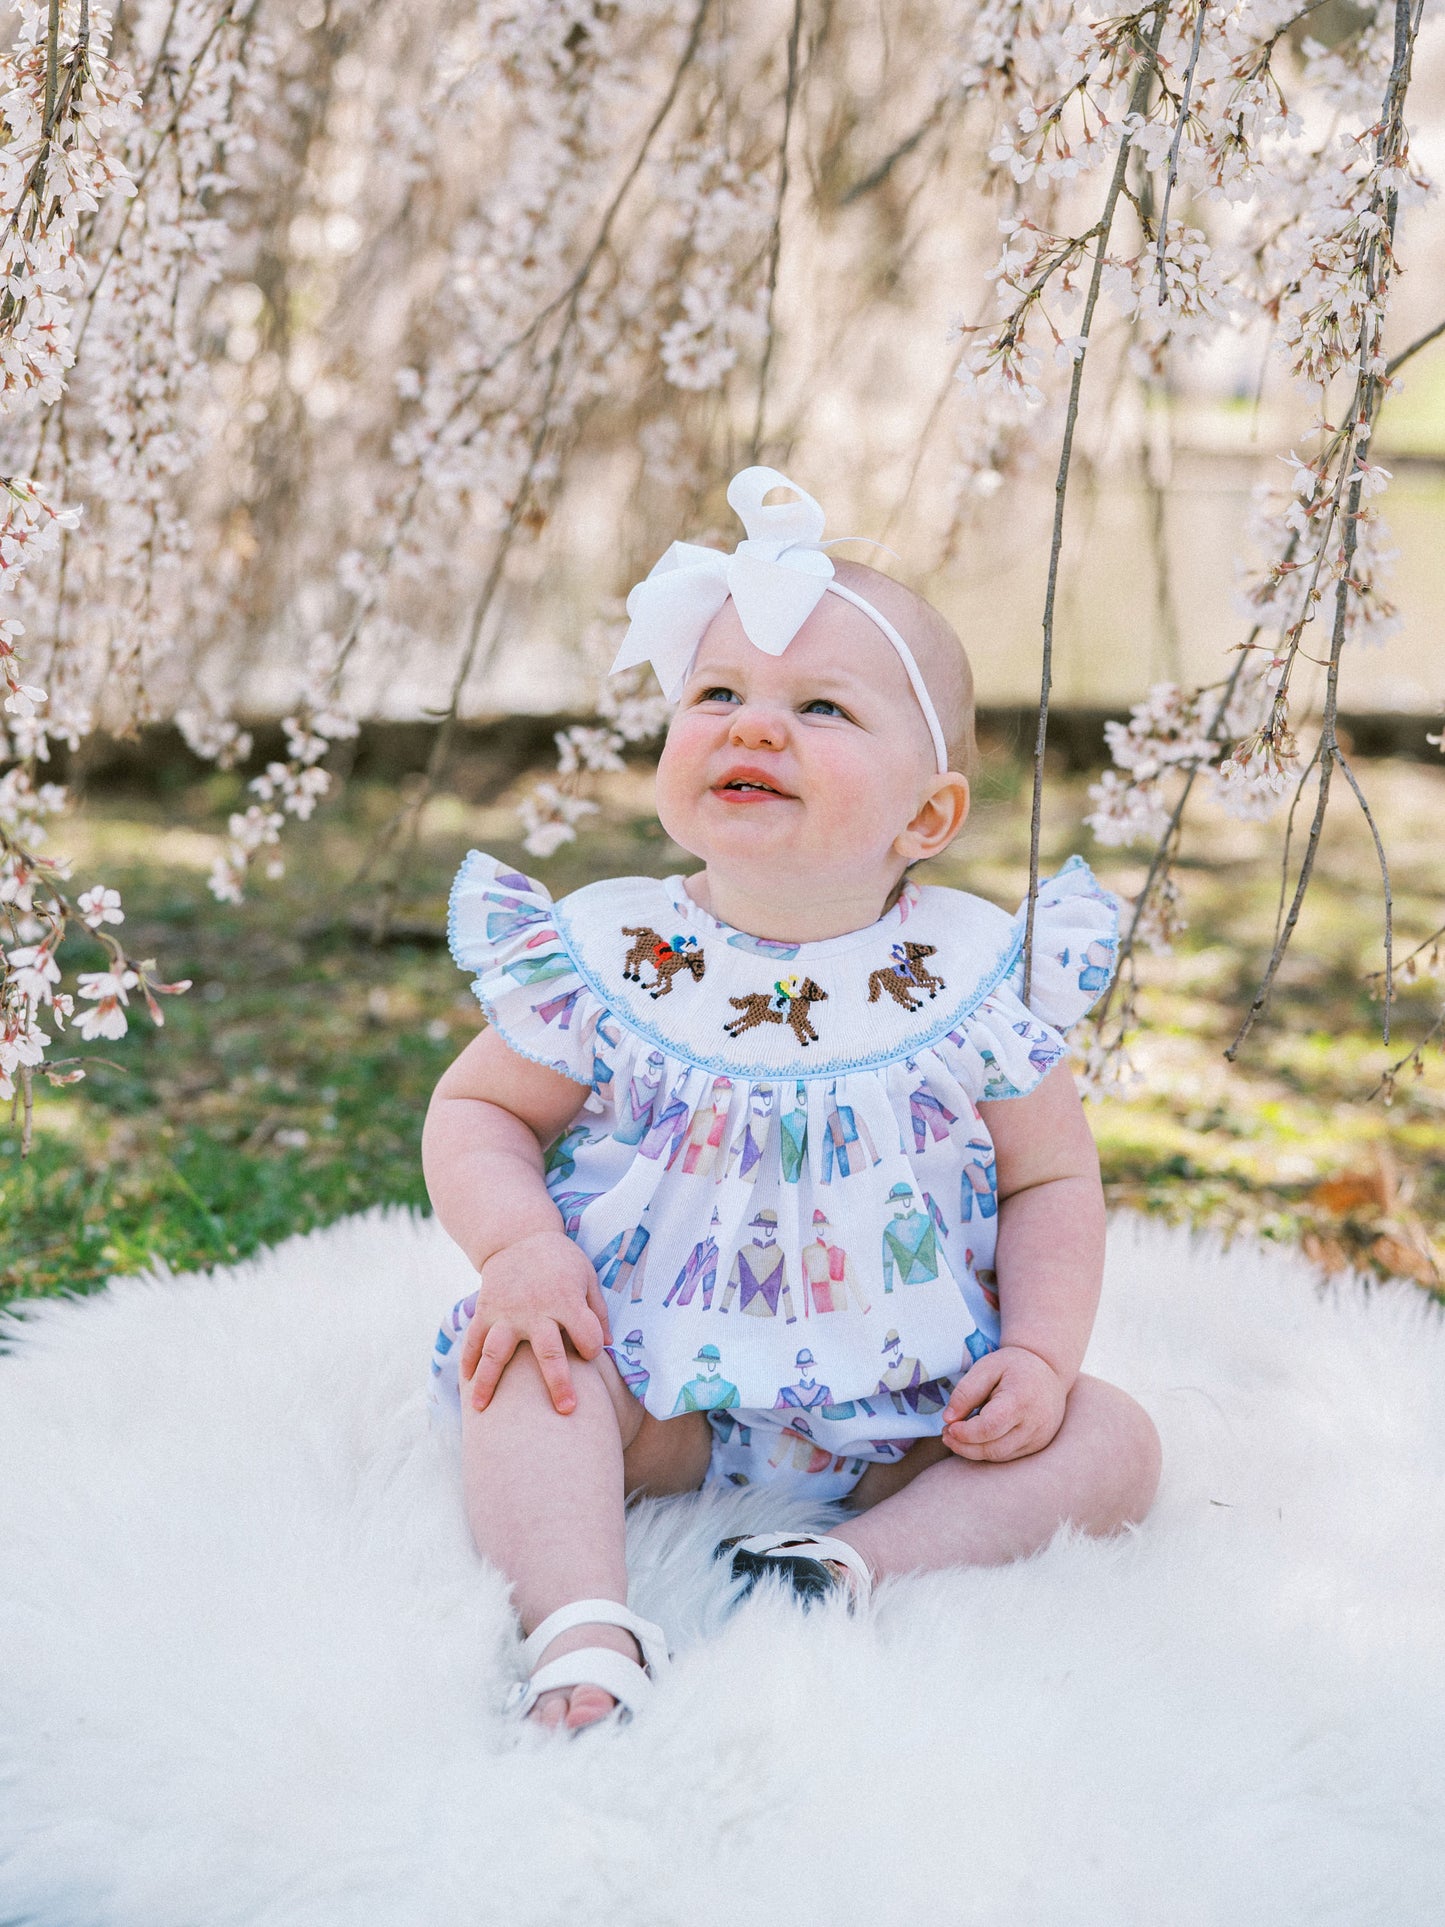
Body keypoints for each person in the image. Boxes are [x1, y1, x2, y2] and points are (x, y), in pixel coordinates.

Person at [423, 465, 1161, 1732]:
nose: (751, 727)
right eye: (717, 694)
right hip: (655, 1383)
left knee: (1112, 1442)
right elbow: (476, 1113)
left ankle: (849, 1567)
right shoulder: (614, 958)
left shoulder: (974, 981)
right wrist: (523, 1250)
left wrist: (1037, 1354)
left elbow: (1050, 1176)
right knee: (525, 1381)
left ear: (925, 815)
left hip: (913, 1402)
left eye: (818, 706)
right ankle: (581, 1621)